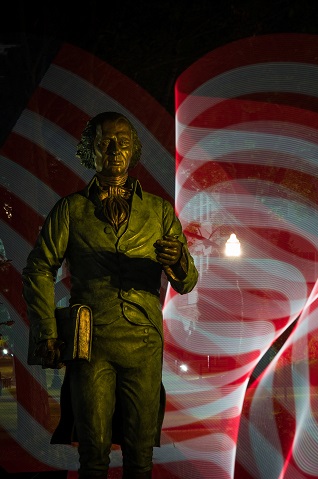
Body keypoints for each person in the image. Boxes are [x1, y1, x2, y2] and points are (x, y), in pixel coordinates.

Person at [22, 112, 198, 479]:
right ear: (91, 150)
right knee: (94, 451)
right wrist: (47, 333)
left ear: (134, 149)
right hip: (91, 341)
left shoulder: (159, 211)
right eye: (105, 141)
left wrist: (178, 260)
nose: (115, 149)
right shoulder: (70, 209)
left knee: (140, 452)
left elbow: (187, 282)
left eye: (123, 141)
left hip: (143, 342)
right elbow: (39, 267)